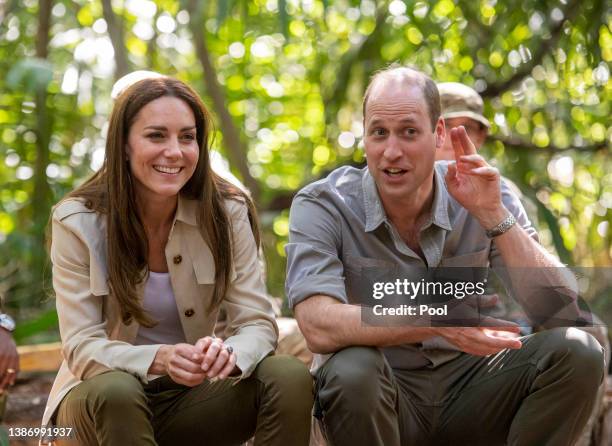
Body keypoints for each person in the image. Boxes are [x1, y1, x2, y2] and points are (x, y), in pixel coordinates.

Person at [285, 66, 605, 445]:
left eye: (408, 132)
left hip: (475, 390)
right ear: (365, 137)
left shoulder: (486, 192)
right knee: (352, 370)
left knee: (579, 352)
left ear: (437, 135)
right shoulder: (324, 203)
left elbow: (562, 310)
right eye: (379, 133)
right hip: (383, 393)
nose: (392, 151)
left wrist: (494, 216)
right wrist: (436, 317)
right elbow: (317, 324)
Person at [42, 76, 313, 445]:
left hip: (190, 400)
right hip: (95, 404)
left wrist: (229, 354)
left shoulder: (226, 212)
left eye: (187, 137)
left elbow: (257, 321)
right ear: (123, 145)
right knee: (119, 391)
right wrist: (159, 358)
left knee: (287, 375)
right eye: (156, 136)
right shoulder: (78, 220)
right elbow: (81, 346)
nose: (175, 151)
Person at [437, 80, 610, 446]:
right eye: (445, 129)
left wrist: (492, 212)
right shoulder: (394, 184)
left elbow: (544, 290)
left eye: (466, 130)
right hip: (429, 352)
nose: (455, 141)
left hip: (506, 327)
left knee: (586, 334)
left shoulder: (497, 191)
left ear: (481, 137)